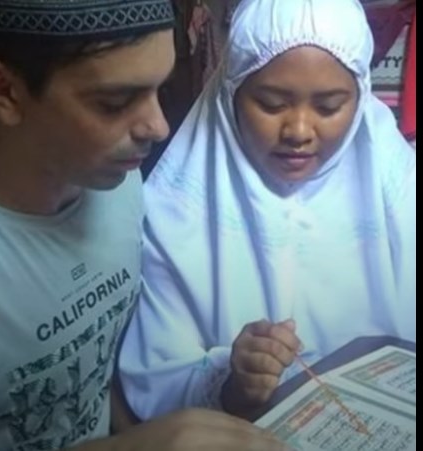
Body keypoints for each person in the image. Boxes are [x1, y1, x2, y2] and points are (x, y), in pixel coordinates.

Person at [0, 1, 290, 450]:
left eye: (160, 90)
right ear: (3, 90)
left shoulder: (117, 185)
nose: (159, 127)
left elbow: (87, 377)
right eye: (114, 103)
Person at [119, 0, 416, 423]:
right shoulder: (174, 214)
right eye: (272, 104)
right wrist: (232, 384)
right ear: (231, 94)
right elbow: (153, 375)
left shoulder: (398, 194)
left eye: (329, 107)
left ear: (361, 100)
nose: (298, 131)